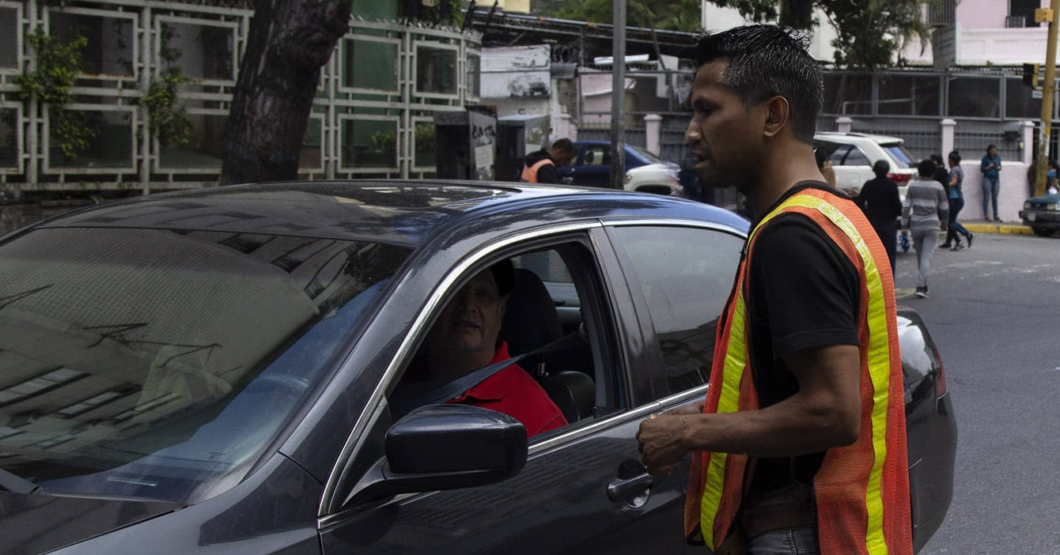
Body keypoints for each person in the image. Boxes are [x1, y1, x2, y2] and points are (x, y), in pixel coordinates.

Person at [635, 25, 912, 555]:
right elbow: (787, 387)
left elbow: (832, 410)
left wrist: (690, 435)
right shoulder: (836, 214)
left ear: (773, 116)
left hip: (802, 533)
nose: (692, 131)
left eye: (707, 110)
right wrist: (702, 414)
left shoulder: (792, 236)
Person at [395, 261, 568, 438]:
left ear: (500, 312)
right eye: (456, 290)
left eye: (483, 294)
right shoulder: (389, 374)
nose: (468, 305)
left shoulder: (538, 419)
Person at [903, 160, 949, 299]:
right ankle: (921, 286)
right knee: (926, 256)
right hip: (932, 223)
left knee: (920, 256)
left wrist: (904, 225)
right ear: (933, 172)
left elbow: (906, 207)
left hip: (916, 224)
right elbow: (944, 208)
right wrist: (944, 223)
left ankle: (924, 283)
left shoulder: (913, 186)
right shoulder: (938, 186)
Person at [857, 160, 903, 275]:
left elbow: (860, 202)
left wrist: (866, 214)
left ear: (874, 170)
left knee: (872, 254)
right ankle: (889, 280)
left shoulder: (869, 185)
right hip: (888, 223)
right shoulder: (892, 185)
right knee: (889, 254)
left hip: (872, 223)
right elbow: (897, 205)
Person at [941, 151, 974, 251]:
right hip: (958, 198)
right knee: (951, 221)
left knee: (950, 222)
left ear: (951, 161)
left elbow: (954, 181)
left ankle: (967, 234)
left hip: (954, 199)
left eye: (949, 161)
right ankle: (948, 241)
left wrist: (945, 186)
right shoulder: (959, 169)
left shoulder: (954, 170)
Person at [980, 144, 1002, 222]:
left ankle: (995, 215)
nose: (994, 152)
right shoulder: (985, 159)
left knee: (995, 197)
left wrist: (999, 167)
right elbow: (982, 169)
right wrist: (990, 166)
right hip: (987, 178)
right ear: (989, 151)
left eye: (995, 151)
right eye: (992, 151)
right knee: (986, 196)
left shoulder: (998, 157)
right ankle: (986, 214)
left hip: (996, 179)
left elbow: (1000, 166)